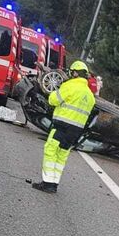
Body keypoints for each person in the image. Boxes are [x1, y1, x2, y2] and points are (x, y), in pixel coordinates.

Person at [32, 60, 96, 193]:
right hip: (75, 131)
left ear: (75, 73)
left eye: (72, 72)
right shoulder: (90, 95)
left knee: (50, 150)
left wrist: (55, 91)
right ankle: (54, 183)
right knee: (61, 156)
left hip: (62, 126)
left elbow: (53, 100)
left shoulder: (70, 86)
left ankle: (47, 183)